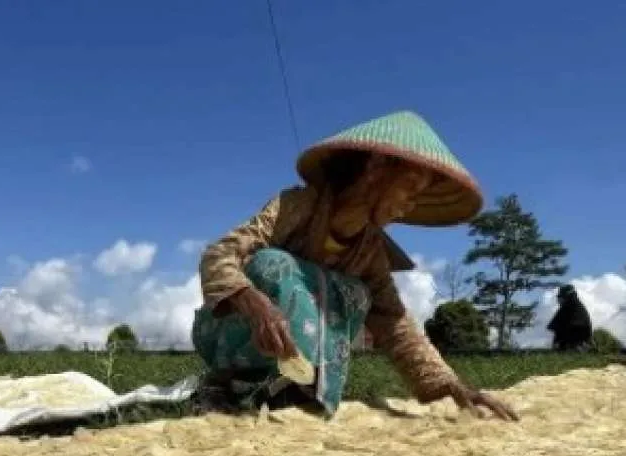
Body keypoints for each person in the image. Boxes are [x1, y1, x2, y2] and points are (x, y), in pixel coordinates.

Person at [193, 110, 518, 421]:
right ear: (376, 168)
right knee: (272, 263)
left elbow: (395, 324)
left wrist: (451, 386)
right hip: (232, 332)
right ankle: (226, 383)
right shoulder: (298, 205)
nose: (408, 207)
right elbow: (219, 254)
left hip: (292, 362)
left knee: (359, 294)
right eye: (408, 188)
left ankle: (301, 395)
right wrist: (257, 306)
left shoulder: (370, 252)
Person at [547, 285, 593, 352]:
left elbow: (578, 327)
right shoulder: (566, 309)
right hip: (570, 343)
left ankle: (578, 348)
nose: (559, 300)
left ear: (567, 297)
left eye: (561, 297)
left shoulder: (576, 308)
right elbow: (556, 328)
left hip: (578, 343)